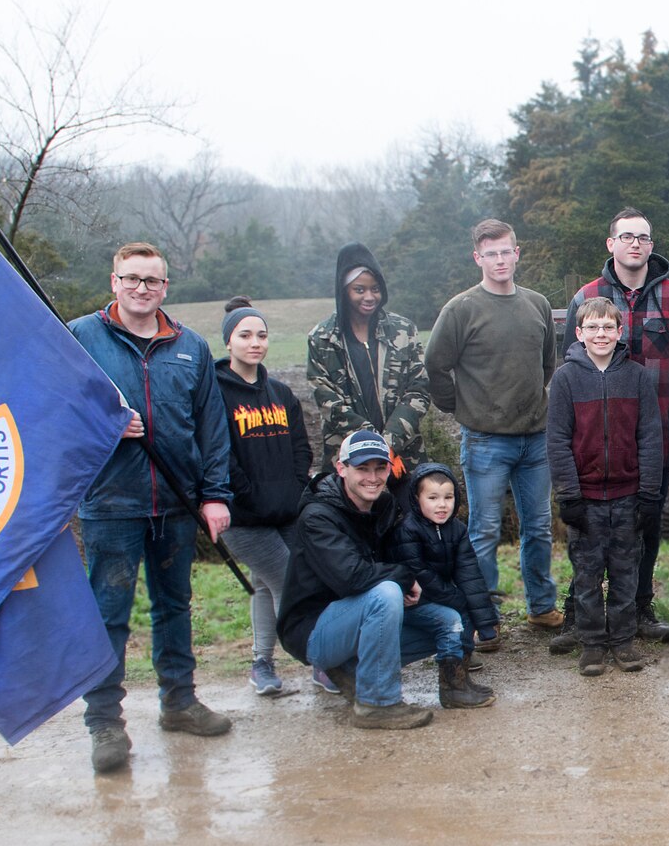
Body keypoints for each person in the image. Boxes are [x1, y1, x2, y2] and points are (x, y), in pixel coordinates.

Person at [68, 242, 236, 773]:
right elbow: (57, 415)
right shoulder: (81, 337)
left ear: (166, 287)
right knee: (108, 616)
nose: (142, 289)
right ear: (114, 281)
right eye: (132, 279)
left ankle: (179, 702)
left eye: (153, 281)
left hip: (178, 502)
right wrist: (108, 426)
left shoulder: (191, 346)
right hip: (111, 502)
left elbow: (212, 430)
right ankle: (104, 723)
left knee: (175, 608)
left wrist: (214, 496)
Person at [277, 430, 484, 729]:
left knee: (448, 619)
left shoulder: (384, 505)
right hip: (314, 628)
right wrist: (404, 577)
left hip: (361, 614)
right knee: (386, 592)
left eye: (380, 468)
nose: (372, 477)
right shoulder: (317, 516)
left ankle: (357, 671)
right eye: (362, 468)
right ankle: (376, 703)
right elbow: (353, 578)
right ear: (341, 468)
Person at [424, 219, 561, 635]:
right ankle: (484, 617)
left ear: (517, 253)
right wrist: (458, 406)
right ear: (477, 257)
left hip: (535, 438)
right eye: (491, 253)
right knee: (484, 530)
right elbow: (435, 363)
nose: (500, 260)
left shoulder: (536, 304)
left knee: (537, 527)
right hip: (485, 441)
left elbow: (547, 363)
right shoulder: (461, 308)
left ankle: (541, 606)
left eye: (506, 251)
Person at [565, 207, 669, 646]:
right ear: (611, 244)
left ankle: (639, 607)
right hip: (596, 441)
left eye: (642, 237)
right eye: (626, 237)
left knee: (648, 521)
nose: (634, 244)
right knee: (587, 527)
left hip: (658, 434)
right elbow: (571, 363)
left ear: (651, 246)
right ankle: (578, 613)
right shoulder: (588, 297)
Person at [547, 297, 664, 676]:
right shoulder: (565, 379)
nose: (601, 334)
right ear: (579, 334)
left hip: (628, 497)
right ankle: (593, 642)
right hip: (586, 500)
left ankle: (623, 641)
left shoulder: (637, 377)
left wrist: (648, 492)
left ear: (620, 332)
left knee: (626, 573)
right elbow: (557, 441)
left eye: (608, 327)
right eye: (593, 328)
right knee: (586, 574)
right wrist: (568, 495)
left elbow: (649, 437)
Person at [213, 296, 312, 697]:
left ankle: (261, 664)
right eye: (245, 335)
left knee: (265, 586)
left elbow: (300, 445)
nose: (255, 342)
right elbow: (219, 452)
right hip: (244, 517)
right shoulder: (215, 393)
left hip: (286, 511)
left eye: (262, 335)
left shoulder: (281, 393)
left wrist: (294, 486)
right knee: (292, 583)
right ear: (228, 342)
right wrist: (248, 494)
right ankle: (324, 662)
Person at [307, 243, 430, 475]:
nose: (369, 296)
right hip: (348, 457)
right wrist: (373, 445)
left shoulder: (404, 330)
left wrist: (390, 442)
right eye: (359, 290)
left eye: (375, 289)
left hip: (403, 456)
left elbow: (419, 389)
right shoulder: (322, 338)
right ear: (344, 291)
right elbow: (326, 399)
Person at [388, 463, 500, 703]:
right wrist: (456, 599)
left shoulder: (457, 530)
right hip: (414, 601)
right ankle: (450, 688)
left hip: (443, 595)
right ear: (417, 499)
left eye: (448, 497)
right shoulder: (407, 530)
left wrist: (486, 620)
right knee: (453, 621)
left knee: (467, 615)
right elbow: (420, 574)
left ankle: (460, 680)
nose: (442, 504)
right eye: (433, 497)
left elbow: (469, 573)